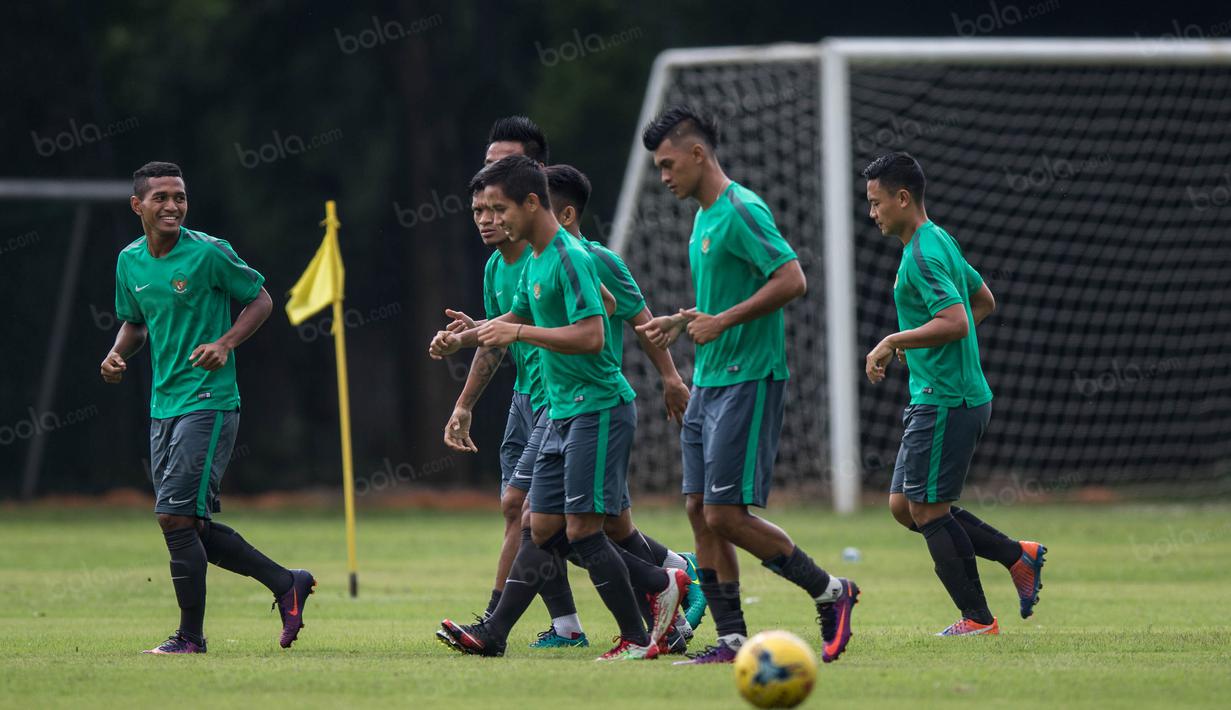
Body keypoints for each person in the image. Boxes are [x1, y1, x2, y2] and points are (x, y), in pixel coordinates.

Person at [436, 156, 689, 660]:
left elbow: (594, 335)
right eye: (484, 210)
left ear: (534, 203)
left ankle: (649, 615)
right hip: (560, 412)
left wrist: (519, 332)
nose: (493, 220)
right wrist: (465, 338)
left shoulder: (572, 255)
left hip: (596, 409)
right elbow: (521, 315)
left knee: (584, 530)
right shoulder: (534, 259)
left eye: (500, 208)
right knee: (539, 524)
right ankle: (494, 633)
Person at [637, 106, 858, 665]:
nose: (664, 177)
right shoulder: (702, 218)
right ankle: (732, 638)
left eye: (667, 165)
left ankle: (832, 592)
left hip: (750, 379)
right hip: (709, 382)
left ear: (696, 154)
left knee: (725, 515)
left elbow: (792, 279)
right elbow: (723, 298)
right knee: (697, 508)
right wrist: (686, 319)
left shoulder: (741, 208)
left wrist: (723, 321)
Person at [100, 161, 315, 654]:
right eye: (161, 198)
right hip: (163, 405)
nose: (173, 205)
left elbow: (260, 300)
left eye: (179, 196)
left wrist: (226, 343)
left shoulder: (210, 253)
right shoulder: (129, 261)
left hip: (209, 401)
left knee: (173, 518)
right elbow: (134, 324)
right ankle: (287, 583)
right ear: (138, 206)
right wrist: (116, 354)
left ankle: (190, 638)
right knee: (190, 523)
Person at [862, 151, 1046, 636]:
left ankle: (978, 619)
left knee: (927, 510)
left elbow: (958, 319)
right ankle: (1017, 555)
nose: (872, 213)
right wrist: (935, 346)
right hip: (945, 392)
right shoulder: (937, 239)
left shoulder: (922, 254)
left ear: (903, 198)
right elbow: (983, 300)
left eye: (877, 202)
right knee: (905, 507)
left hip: (947, 399)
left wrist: (895, 341)